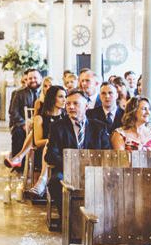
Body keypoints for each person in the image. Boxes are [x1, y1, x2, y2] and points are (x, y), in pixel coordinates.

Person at [45, 89, 111, 223]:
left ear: (86, 106)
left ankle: (101, 220)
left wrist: (90, 167)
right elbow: (51, 155)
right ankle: (68, 220)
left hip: (94, 170)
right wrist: (72, 165)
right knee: (55, 181)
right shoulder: (57, 127)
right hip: (66, 170)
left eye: (75, 103)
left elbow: (106, 153)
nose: (70, 107)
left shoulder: (99, 127)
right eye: (68, 104)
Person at [25, 85, 66, 199]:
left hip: (62, 152)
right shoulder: (40, 118)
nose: (64, 100)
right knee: (50, 145)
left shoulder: (66, 117)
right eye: (61, 97)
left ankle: (42, 184)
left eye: (65, 96)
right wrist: (52, 140)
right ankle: (42, 181)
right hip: (44, 151)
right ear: (53, 98)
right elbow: (37, 142)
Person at [7, 68, 41, 162]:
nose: (33, 80)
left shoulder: (45, 93)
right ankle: (18, 163)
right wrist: (23, 124)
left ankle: (37, 164)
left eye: (35, 78)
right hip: (22, 125)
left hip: (40, 125)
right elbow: (13, 111)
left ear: (40, 78)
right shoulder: (19, 93)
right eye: (30, 78)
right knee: (18, 132)